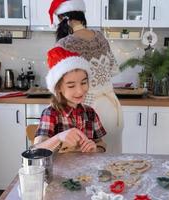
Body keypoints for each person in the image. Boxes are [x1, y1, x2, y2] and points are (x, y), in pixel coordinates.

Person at [48, 0, 124, 153]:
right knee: (113, 159)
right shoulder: (100, 37)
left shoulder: (63, 44)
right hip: (112, 108)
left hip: (85, 110)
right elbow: (112, 70)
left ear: (64, 19)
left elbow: (58, 81)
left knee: (84, 162)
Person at [34, 47, 107, 153]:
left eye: (83, 83)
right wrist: (59, 138)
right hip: (59, 169)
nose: (80, 91)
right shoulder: (51, 113)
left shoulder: (90, 113)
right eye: (71, 86)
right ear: (58, 87)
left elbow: (101, 143)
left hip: (87, 169)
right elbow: (37, 150)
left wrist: (95, 149)